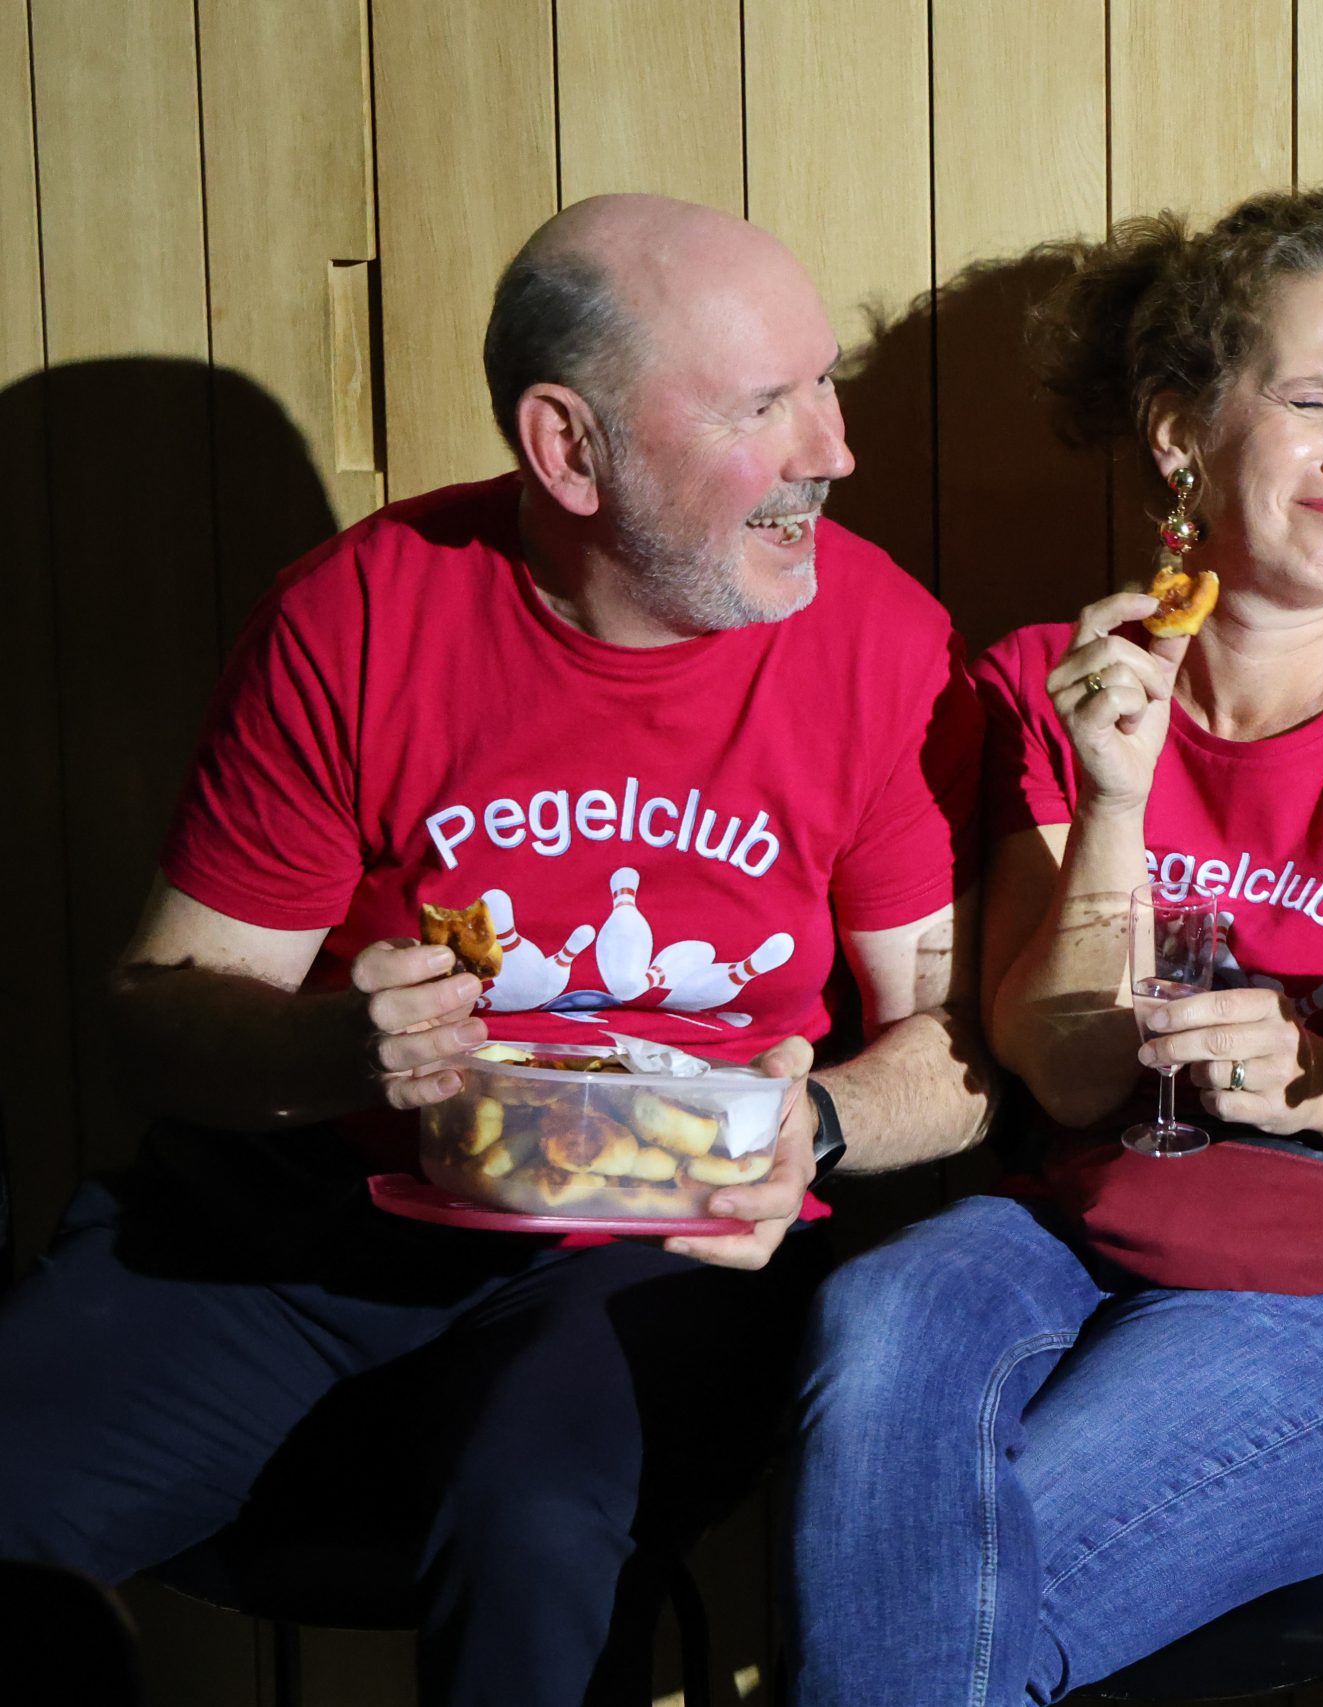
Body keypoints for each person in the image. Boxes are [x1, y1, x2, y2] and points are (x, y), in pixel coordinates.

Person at [0, 194, 994, 1706]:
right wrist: (334, 1045)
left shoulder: (884, 641)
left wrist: (824, 1122)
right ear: (567, 448)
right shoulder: (362, 612)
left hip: (664, 1252)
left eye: (824, 386)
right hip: (311, 1226)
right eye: (762, 406)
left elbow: (962, 1040)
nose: (832, 451)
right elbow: (163, 1009)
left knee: (536, 1521)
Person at [785, 188, 1323, 1703]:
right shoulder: (1047, 684)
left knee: (939, 1588)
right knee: (881, 1303)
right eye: (1314, 400)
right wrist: (1115, 794)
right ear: (1181, 435)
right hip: (1074, 1219)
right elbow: (1066, 1075)